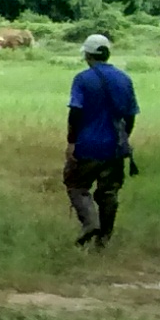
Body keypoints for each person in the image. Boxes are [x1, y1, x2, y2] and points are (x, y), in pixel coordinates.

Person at [64, 33, 138, 248]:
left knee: (76, 185)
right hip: (115, 147)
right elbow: (131, 115)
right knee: (109, 192)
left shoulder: (82, 79)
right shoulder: (124, 79)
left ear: (88, 55)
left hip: (87, 145)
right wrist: (123, 138)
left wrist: (71, 142)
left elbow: (75, 113)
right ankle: (103, 241)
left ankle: (90, 222)